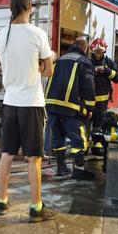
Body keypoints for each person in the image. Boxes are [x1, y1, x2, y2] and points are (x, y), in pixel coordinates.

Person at [0, 0, 57, 222]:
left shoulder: (2, 34)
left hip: (10, 103)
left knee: (7, 154)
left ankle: (1, 200)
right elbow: (49, 72)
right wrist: (46, 61)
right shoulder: (37, 34)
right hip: (31, 103)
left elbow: (8, 63)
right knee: (34, 159)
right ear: (29, 6)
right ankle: (36, 206)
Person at [45, 36, 96, 180]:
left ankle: (61, 168)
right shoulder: (83, 61)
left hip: (52, 104)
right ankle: (78, 170)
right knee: (78, 138)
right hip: (70, 107)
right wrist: (89, 108)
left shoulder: (59, 59)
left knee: (58, 135)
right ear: (85, 48)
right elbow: (88, 86)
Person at [89, 38, 118, 156]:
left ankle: (97, 147)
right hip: (88, 100)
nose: (98, 54)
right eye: (96, 52)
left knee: (99, 124)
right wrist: (94, 71)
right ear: (92, 52)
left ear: (104, 52)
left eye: (100, 52)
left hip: (102, 100)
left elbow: (117, 78)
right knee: (86, 124)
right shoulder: (88, 62)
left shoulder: (109, 62)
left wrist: (107, 71)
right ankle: (84, 147)